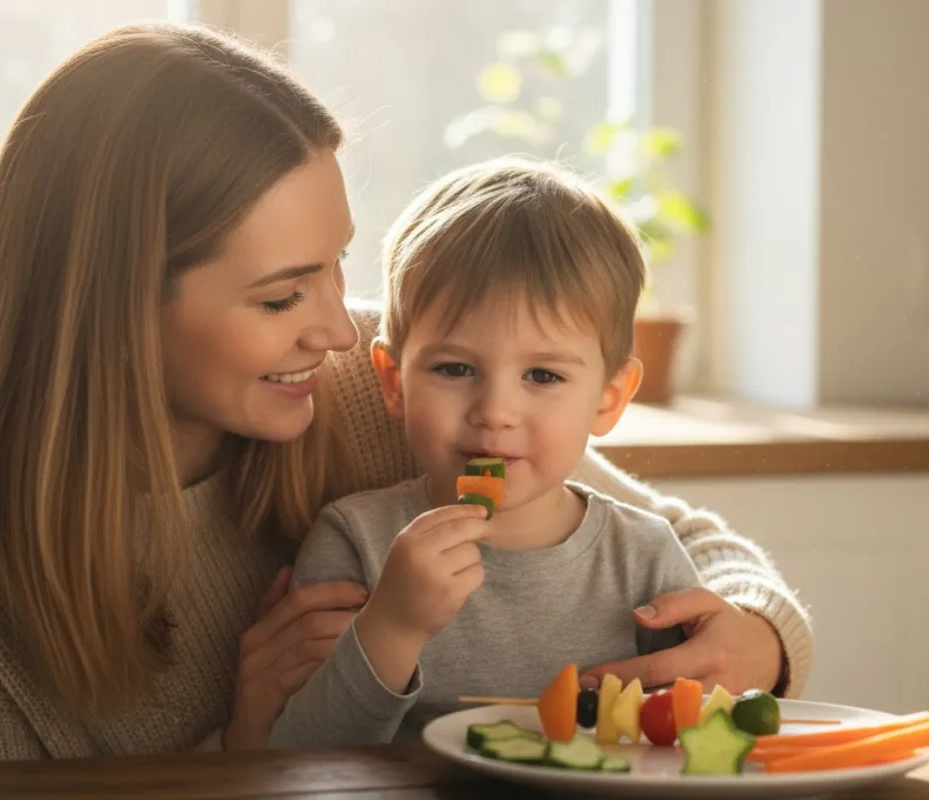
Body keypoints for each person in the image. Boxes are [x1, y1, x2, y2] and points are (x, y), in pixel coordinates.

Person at [0, 21, 810, 763]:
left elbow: (689, 545)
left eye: (337, 264)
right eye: (282, 295)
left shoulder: (377, 385)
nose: (340, 330)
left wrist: (756, 642)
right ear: (114, 305)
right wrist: (246, 749)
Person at [269, 158, 705, 747]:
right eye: (455, 368)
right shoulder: (356, 540)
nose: (494, 410)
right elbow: (302, 755)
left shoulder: (646, 557)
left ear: (609, 399)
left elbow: (685, 741)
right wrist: (391, 627)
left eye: (543, 376)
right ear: (394, 382)